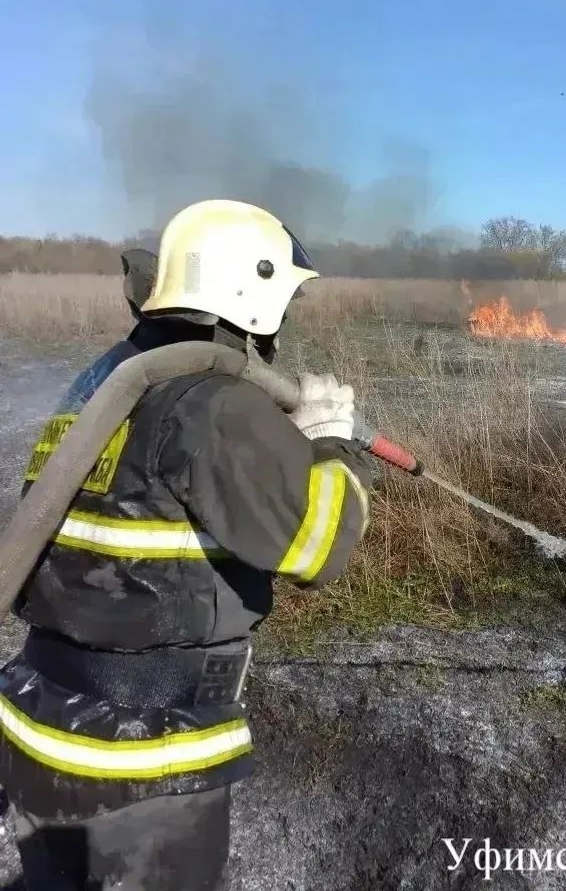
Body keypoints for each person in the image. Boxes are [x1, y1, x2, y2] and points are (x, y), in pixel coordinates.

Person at [0, 199, 372, 891]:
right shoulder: (215, 404)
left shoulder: (107, 378)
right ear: (253, 288)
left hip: (40, 725)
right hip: (141, 756)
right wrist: (328, 440)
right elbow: (321, 548)